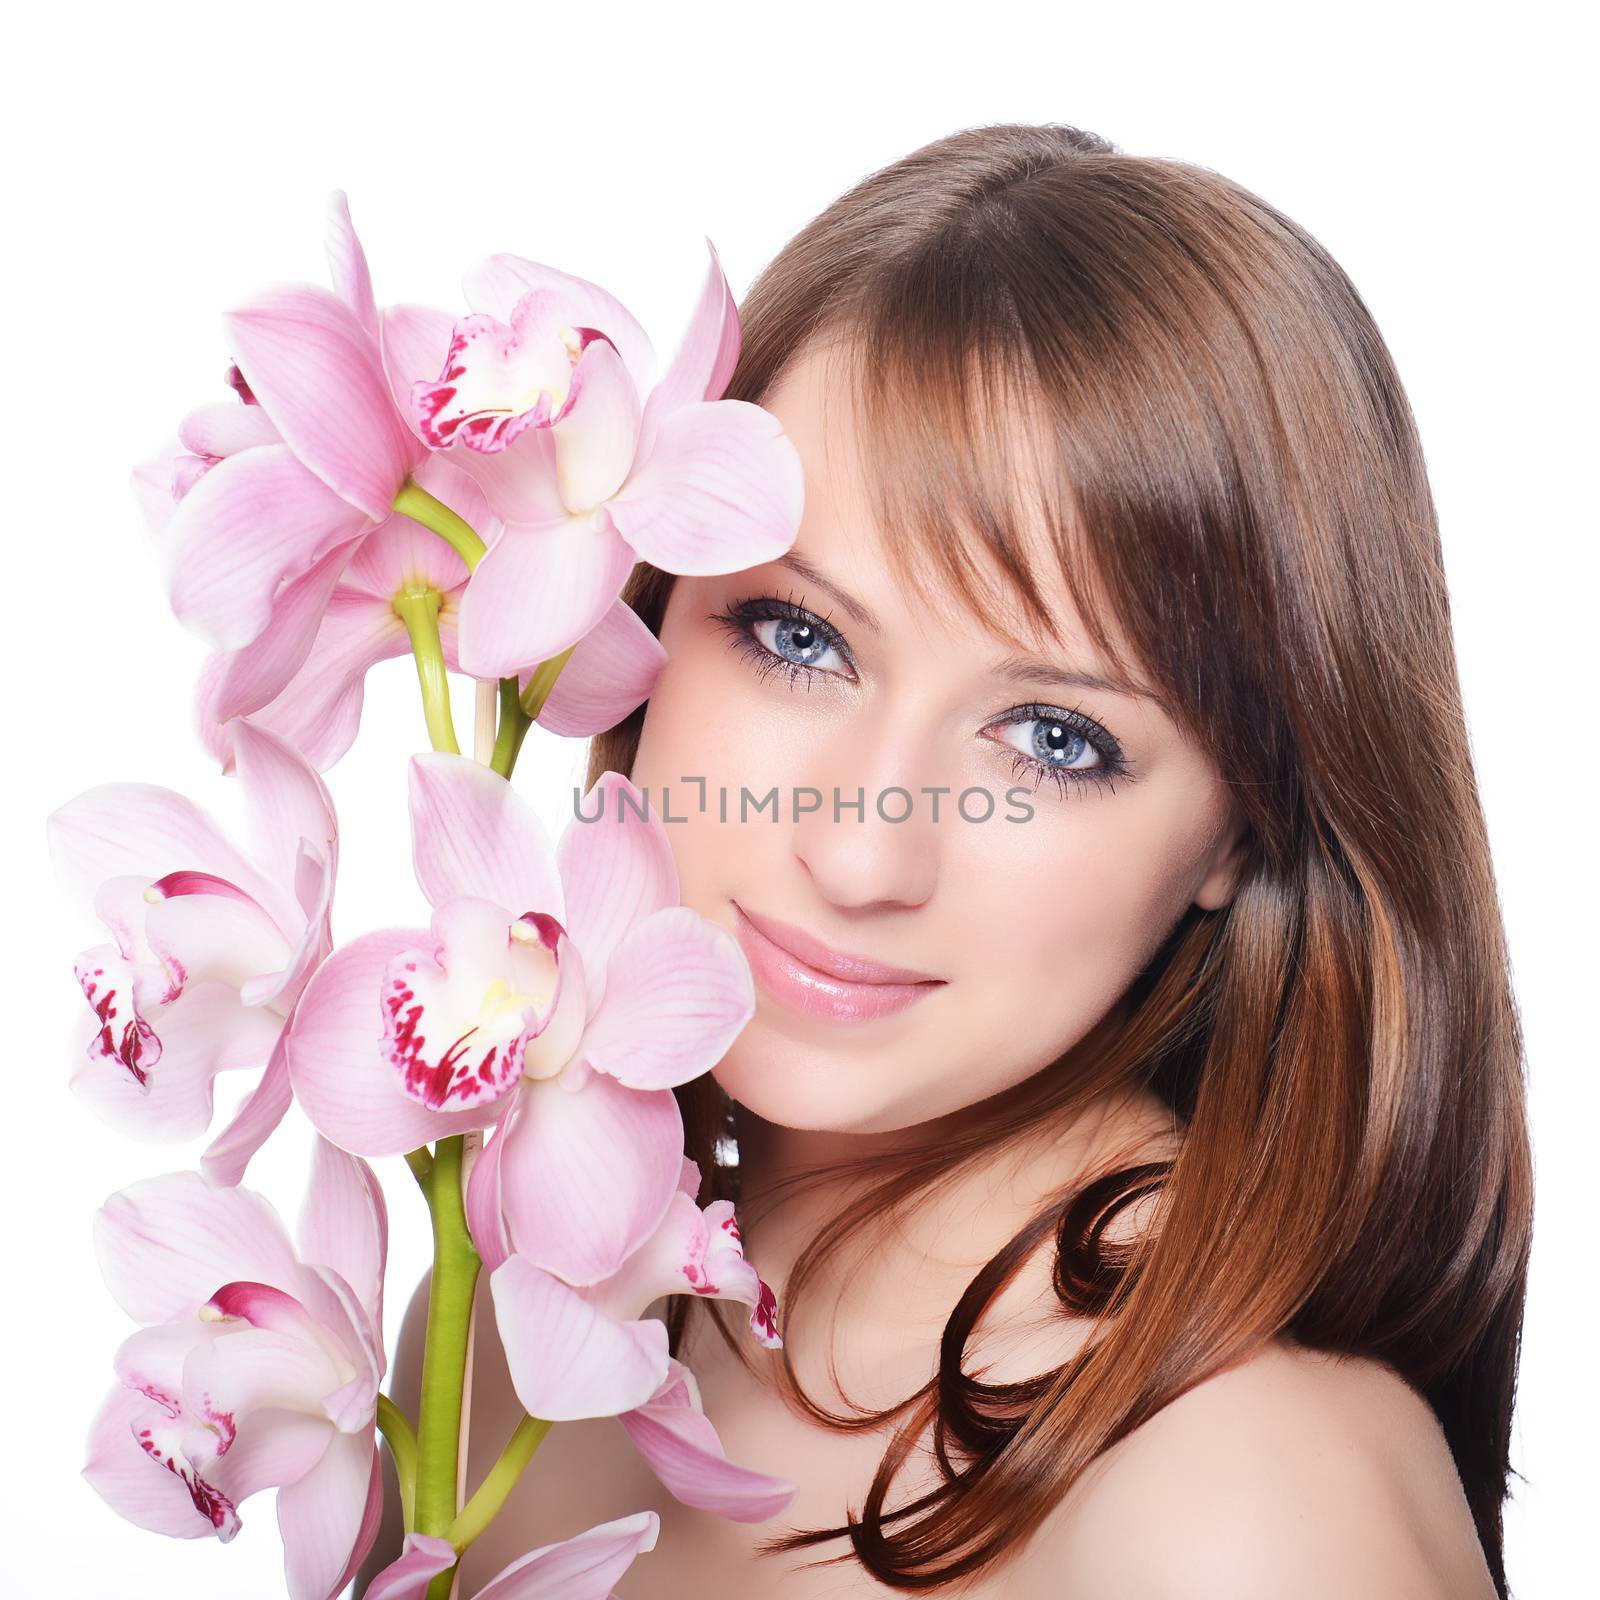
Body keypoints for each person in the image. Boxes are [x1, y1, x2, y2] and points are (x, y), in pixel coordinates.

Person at [360, 121, 1529, 1598]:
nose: (859, 852)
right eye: (799, 639)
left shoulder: (1250, 1510)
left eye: (1053, 739)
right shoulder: (501, 1348)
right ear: (643, 621)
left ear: (1245, 828)